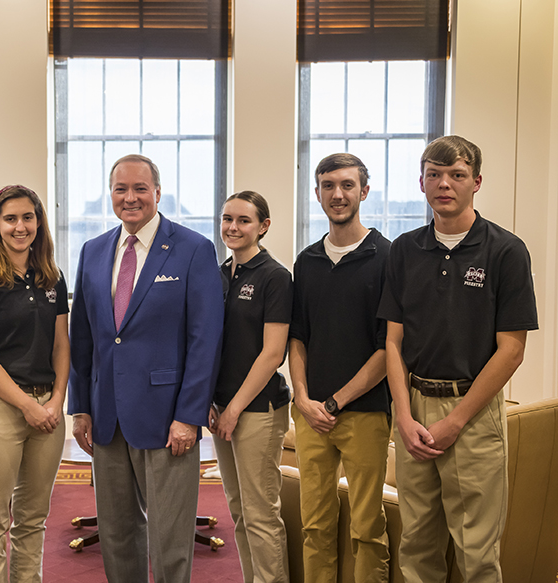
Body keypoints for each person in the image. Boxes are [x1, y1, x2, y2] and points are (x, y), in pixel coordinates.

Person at [378, 135, 538, 582]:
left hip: (473, 412)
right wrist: (403, 417)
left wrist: (455, 422)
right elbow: (393, 343)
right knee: (417, 546)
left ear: (477, 182)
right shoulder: (405, 251)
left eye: (457, 175)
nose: (444, 183)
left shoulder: (506, 251)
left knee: (477, 554)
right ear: (422, 183)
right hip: (413, 409)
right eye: (434, 174)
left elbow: (512, 350)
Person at [69, 154, 224, 583]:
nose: (130, 197)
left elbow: (204, 341)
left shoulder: (193, 249)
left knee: (171, 538)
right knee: (117, 534)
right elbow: (83, 337)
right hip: (106, 417)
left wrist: (189, 417)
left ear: (157, 192)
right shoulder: (93, 250)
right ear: (111, 194)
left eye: (140, 188)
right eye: (121, 189)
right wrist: (80, 406)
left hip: (167, 417)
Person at [288, 154, 391, 583]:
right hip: (311, 415)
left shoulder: (388, 257)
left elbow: (390, 349)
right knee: (315, 525)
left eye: (347, 185)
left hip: (364, 413)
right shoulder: (307, 261)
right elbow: (298, 339)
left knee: (367, 528)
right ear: (317, 194)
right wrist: (303, 397)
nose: (338, 194)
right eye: (328, 185)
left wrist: (335, 401)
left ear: (364, 192)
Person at [0, 185, 68, 582]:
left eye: (27, 218)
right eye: (10, 219)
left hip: (48, 409)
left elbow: (61, 346)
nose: (20, 227)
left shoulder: (52, 278)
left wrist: (57, 400)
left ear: (38, 222)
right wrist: (27, 406)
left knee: (33, 519)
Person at [209, 190, 293, 583]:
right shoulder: (219, 273)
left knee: (261, 514)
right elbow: (209, 344)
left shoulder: (275, 277)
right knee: (239, 509)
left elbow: (272, 354)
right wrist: (210, 400)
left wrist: (233, 409)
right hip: (222, 408)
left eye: (243, 220)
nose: (233, 227)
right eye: (227, 219)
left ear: (263, 226)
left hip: (258, 410)